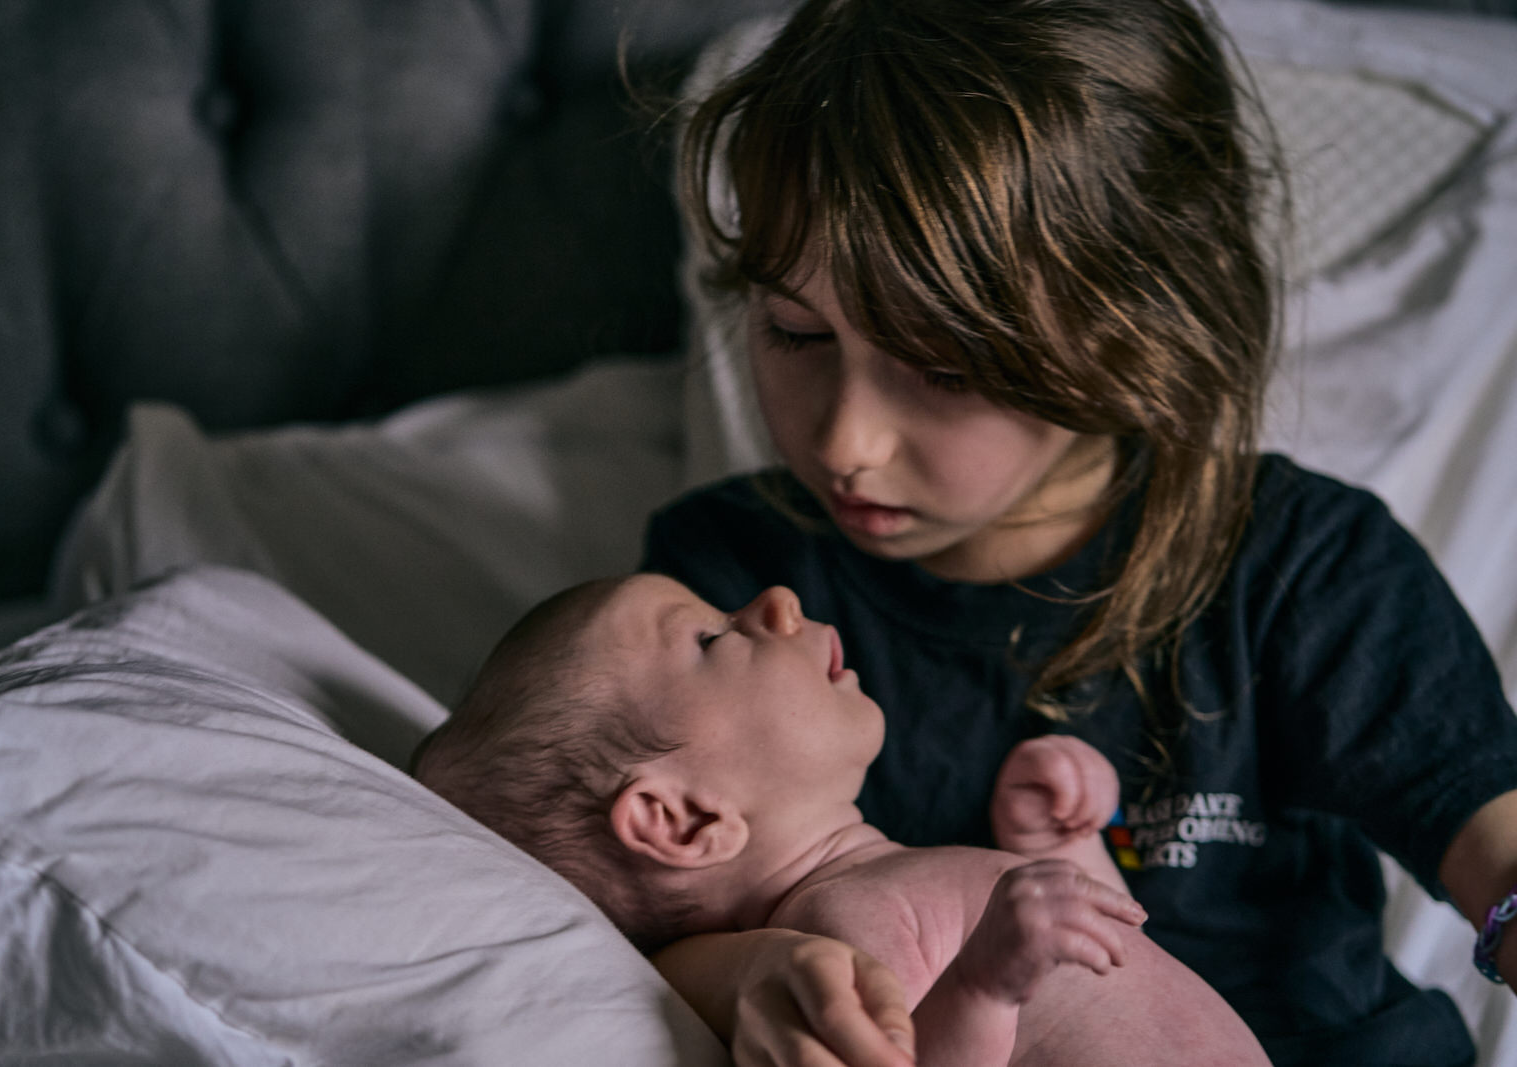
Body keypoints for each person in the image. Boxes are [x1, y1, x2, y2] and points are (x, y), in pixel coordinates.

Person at [639, 0, 1517, 1065]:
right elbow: (650, 920)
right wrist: (753, 974)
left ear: (1132, 325)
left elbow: (1491, 834)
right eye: (795, 331)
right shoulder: (728, 594)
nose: (846, 440)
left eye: (944, 368)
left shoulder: (1300, 561)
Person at [411, 573, 1273, 1067]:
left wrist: (1062, 846)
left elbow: (1104, 966)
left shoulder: (890, 876)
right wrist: (982, 983)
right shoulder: (841, 921)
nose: (775, 603)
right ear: (682, 822)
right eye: (711, 639)